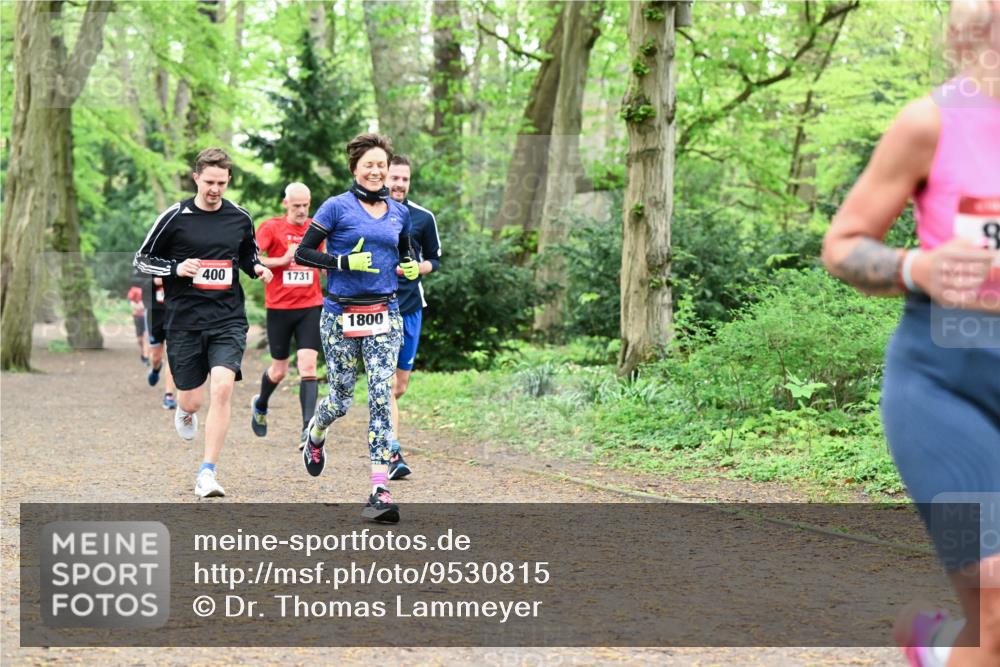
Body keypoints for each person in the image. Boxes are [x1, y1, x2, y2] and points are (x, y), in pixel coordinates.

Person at [822, 3, 999, 665]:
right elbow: (842, 244)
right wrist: (914, 265)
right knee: (998, 599)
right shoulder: (930, 122)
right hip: (940, 395)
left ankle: (938, 647)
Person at [294, 133, 419, 523]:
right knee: (342, 399)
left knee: (381, 396)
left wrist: (410, 267)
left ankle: (379, 490)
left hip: (385, 313)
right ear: (355, 169)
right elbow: (304, 252)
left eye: (381, 165)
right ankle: (316, 431)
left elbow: (405, 252)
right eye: (369, 165)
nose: (376, 171)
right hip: (340, 315)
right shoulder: (336, 207)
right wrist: (344, 264)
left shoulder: (398, 212)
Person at [134, 147, 272, 498]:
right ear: (196, 178)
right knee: (193, 400)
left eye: (222, 183)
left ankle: (207, 472)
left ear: (229, 181)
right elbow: (141, 260)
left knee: (223, 387)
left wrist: (257, 268)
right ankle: (184, 408)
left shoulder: (240, 217)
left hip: (227, 318)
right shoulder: (175, 216)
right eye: (209, 182)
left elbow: (247, 255)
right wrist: (176, 268)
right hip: (185, 321)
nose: (215, 189)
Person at [250, 183, 323, 448]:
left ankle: (308, 428)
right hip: (279, 308)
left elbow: (326, 261)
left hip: (310, 306)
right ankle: (260, 404)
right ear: (286, 204)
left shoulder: (317, 228)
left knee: (307, 365)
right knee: (279, 370)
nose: (302, 211)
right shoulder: (272, 227)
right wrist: (281, 261)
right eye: (296, 206)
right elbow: (251, 258)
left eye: (306, 205)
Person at [384, 155, 442, 480]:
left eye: (404, 179)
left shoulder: (422, 217)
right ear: (384, 178)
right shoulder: (370, 216)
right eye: (394, 178)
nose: (399, 184)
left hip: (411, 309)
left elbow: (435, 259)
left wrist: (419, 268)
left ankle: (383, 427)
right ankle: (392, 451)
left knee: (400, 386)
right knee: (389, 385)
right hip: (380, 308)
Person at [142, 274, 178, 410]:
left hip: (174, 316)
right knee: (156, 357)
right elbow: (143, 287)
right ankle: (156, 368)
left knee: (172, 356)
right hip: (155, 317)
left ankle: (169, 395)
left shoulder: (180, 262)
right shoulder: (152, 262)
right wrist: (153, 281)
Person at [126, 276, 148, 365]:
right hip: (138, 316)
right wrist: (137, 306)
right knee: (140, 338)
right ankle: (143, 350)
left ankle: (146, 355)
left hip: (148, 315)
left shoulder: (150, 287)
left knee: (146, 336)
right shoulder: (134, 289)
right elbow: (130, 301)